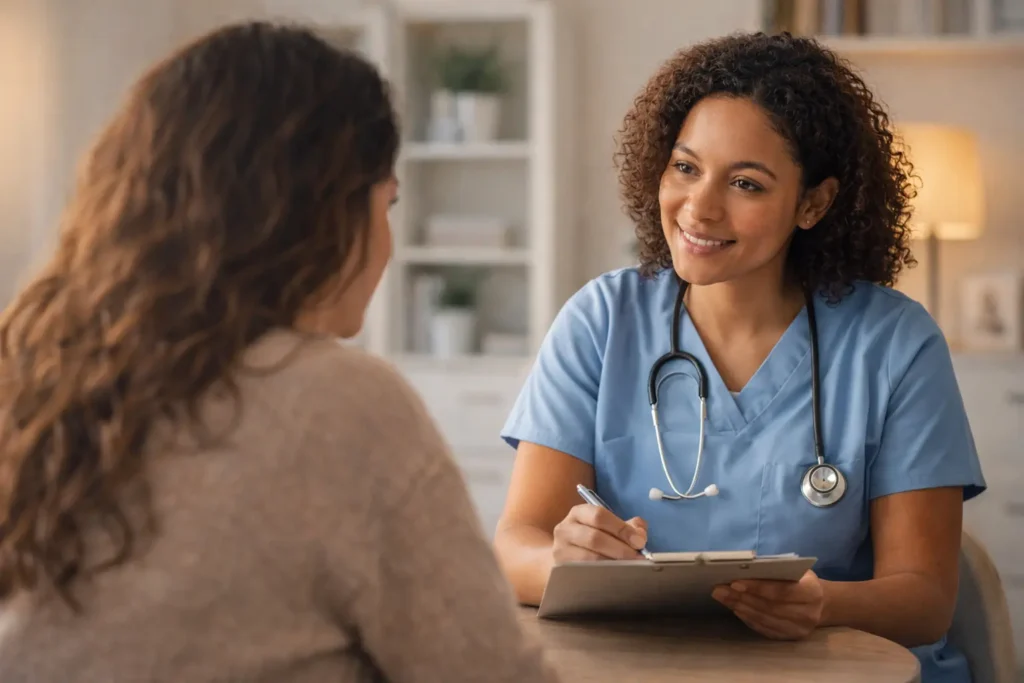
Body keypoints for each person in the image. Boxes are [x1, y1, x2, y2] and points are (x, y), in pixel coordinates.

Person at [0, 22, 560, 683]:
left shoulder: (34, 373)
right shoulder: (340, 401)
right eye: (388, 204)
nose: (387, 243)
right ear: (325, 210)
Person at [494, 31, 984, 683]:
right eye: (685, 167)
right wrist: (564, 556)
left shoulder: (893, 342)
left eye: (746, 183)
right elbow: (514, 545)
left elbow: (924, 597)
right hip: (638, 666)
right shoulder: (601, 321)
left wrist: (821, 603)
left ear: (813, 202)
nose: (699, 207)